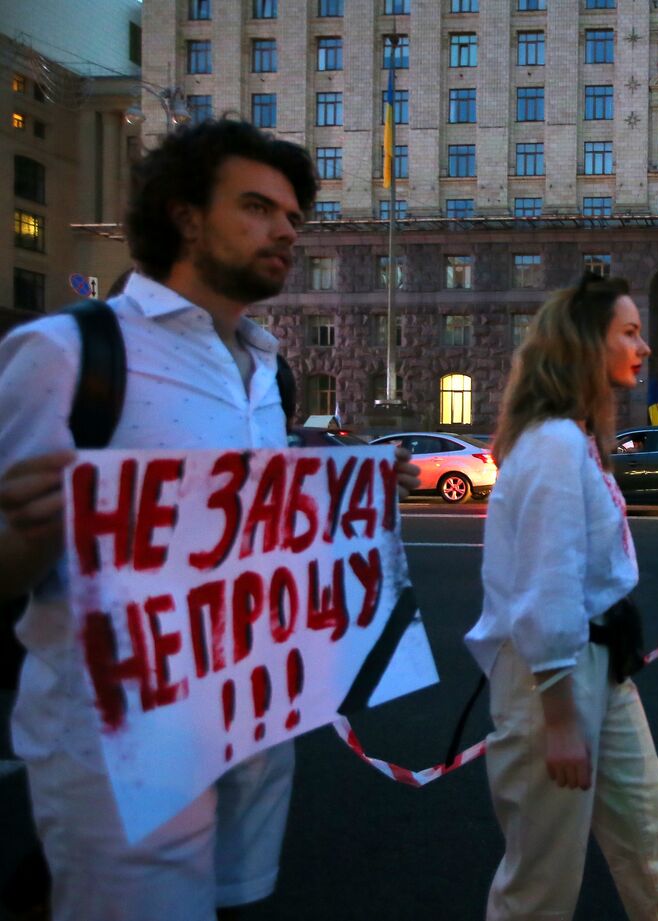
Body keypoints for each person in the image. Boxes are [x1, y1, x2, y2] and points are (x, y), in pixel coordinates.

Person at [0, 118, 419, 921]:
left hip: (255, 732)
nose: (287, 231)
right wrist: (44, 524)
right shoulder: (69, 353)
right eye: (258, 208)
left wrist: (346, 490)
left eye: (295, 217)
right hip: (120, 754)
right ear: (186, 216)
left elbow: (236, 518)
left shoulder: (264, 365)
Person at [464, 273, 658, 921]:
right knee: (541, 881)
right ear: (586, 346)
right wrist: (561, 717)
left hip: (600, 666)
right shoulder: (556, 445)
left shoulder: (575, 439)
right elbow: (547, 589)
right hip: (552, 681)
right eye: (628, 332)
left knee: (650, 837)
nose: (644, 346)